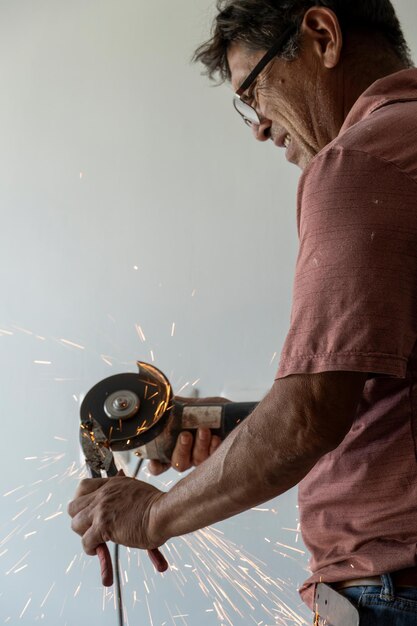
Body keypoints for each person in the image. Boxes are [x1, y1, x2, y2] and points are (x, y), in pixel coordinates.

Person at [68, 1, 417, 623]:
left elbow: (308, 417)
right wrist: (218, 425)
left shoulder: (359, 162)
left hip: (396, 584)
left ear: (321, 34)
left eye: (252, 91)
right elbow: (376, 396)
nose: (257, 126)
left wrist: (153, 515)